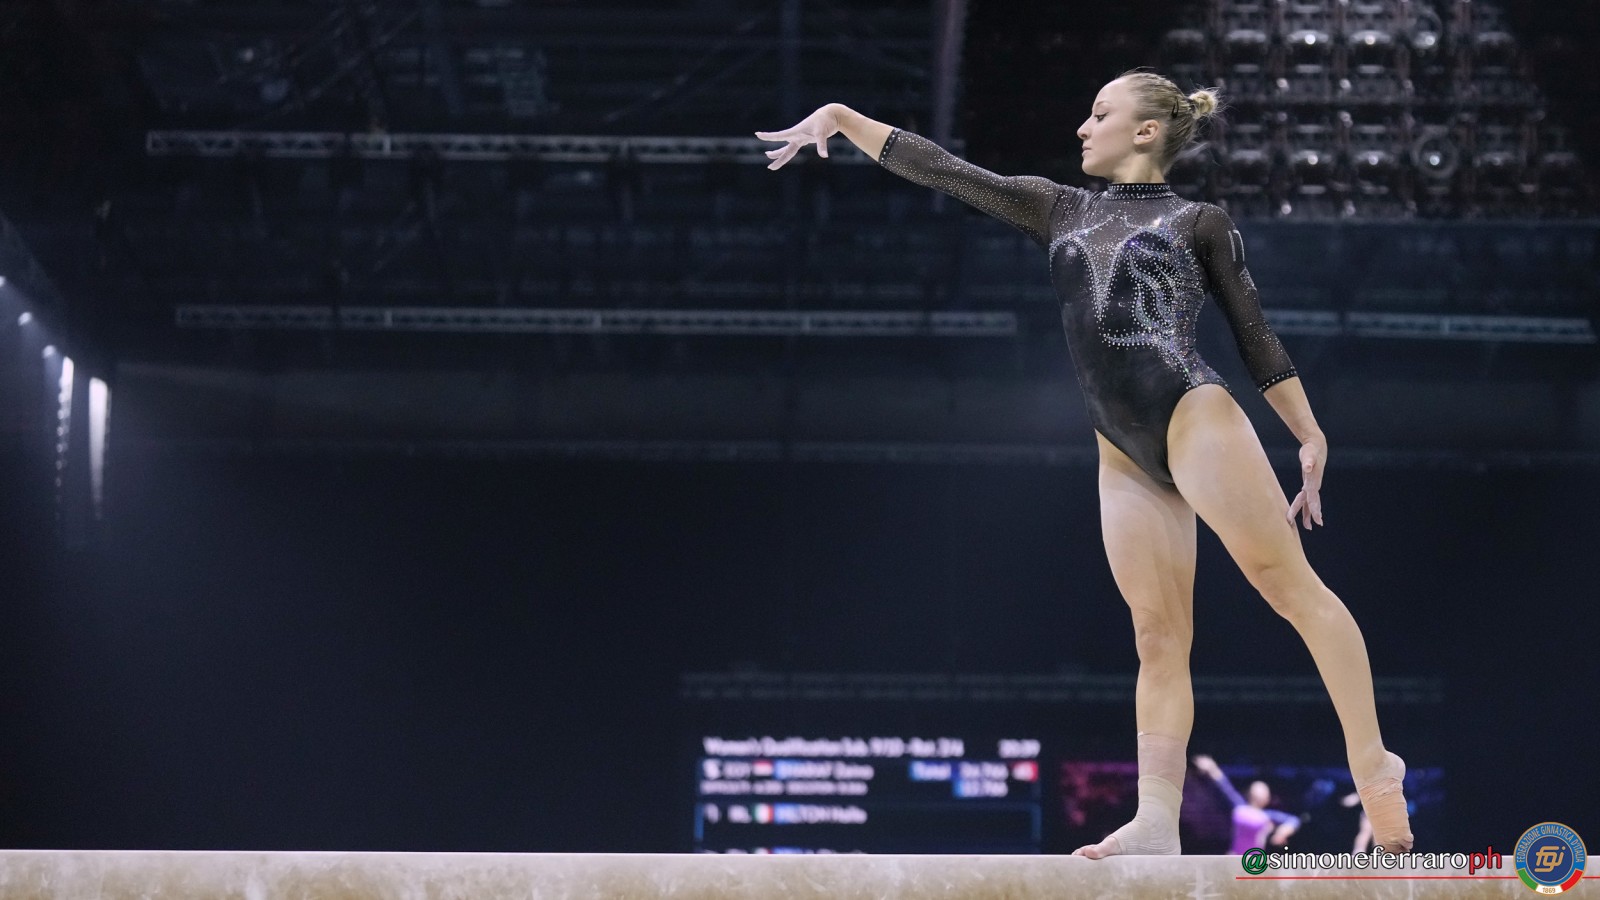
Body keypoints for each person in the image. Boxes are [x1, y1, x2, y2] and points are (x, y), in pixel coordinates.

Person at [755, 68, 1414, 858]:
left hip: (1191, 412)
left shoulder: (1198, 221)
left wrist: (1307, 432)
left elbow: (1255, 333)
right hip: (1120, 447)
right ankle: (1157, 821)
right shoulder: (1058, 207)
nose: (1082, 127)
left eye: (1100, 113)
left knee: (1288, 589)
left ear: (1146, 132)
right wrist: (842, 115)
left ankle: (1375, 768)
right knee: (1157, 636)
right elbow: (949, 172)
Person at [1192, 755, 1301, 854]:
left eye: (1263, 791)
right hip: (1234, 857)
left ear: (1267, 799)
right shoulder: (1240, 808)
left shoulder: (1267, 816)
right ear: (1249, 793)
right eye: (1257, 789)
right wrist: (1212, 768)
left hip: (1255, 861)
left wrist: (1282, 832)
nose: (1259, 792)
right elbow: (1225, 787)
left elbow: (1294, 820)